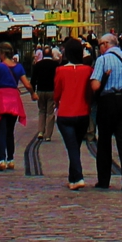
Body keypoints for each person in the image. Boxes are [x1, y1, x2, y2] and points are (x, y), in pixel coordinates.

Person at [90, 31, 122, 191]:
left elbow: (95, 86)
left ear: (106, 45)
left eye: (100, 45)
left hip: (108, 101)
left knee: (104, 141)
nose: (99, 48)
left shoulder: (103, 60)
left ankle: (104, 179)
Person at [49, 37, 95, 189]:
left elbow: (57, 92)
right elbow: (89, 92)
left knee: (72, 147)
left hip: (65, 114)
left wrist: (56, 103)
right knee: (75, 146)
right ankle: (72, 177)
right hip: (83, 112)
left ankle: (78, 176)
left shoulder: (60, 70)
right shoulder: (88, 70)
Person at [0, 43, 27, 172]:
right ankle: (11, 159)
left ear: (2, 53)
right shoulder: (18, 67)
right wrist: (33, 93)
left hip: (0, 99)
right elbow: (27, 84)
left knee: (1, 130)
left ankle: (2, 160)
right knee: (10, 131)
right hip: (13, 99)